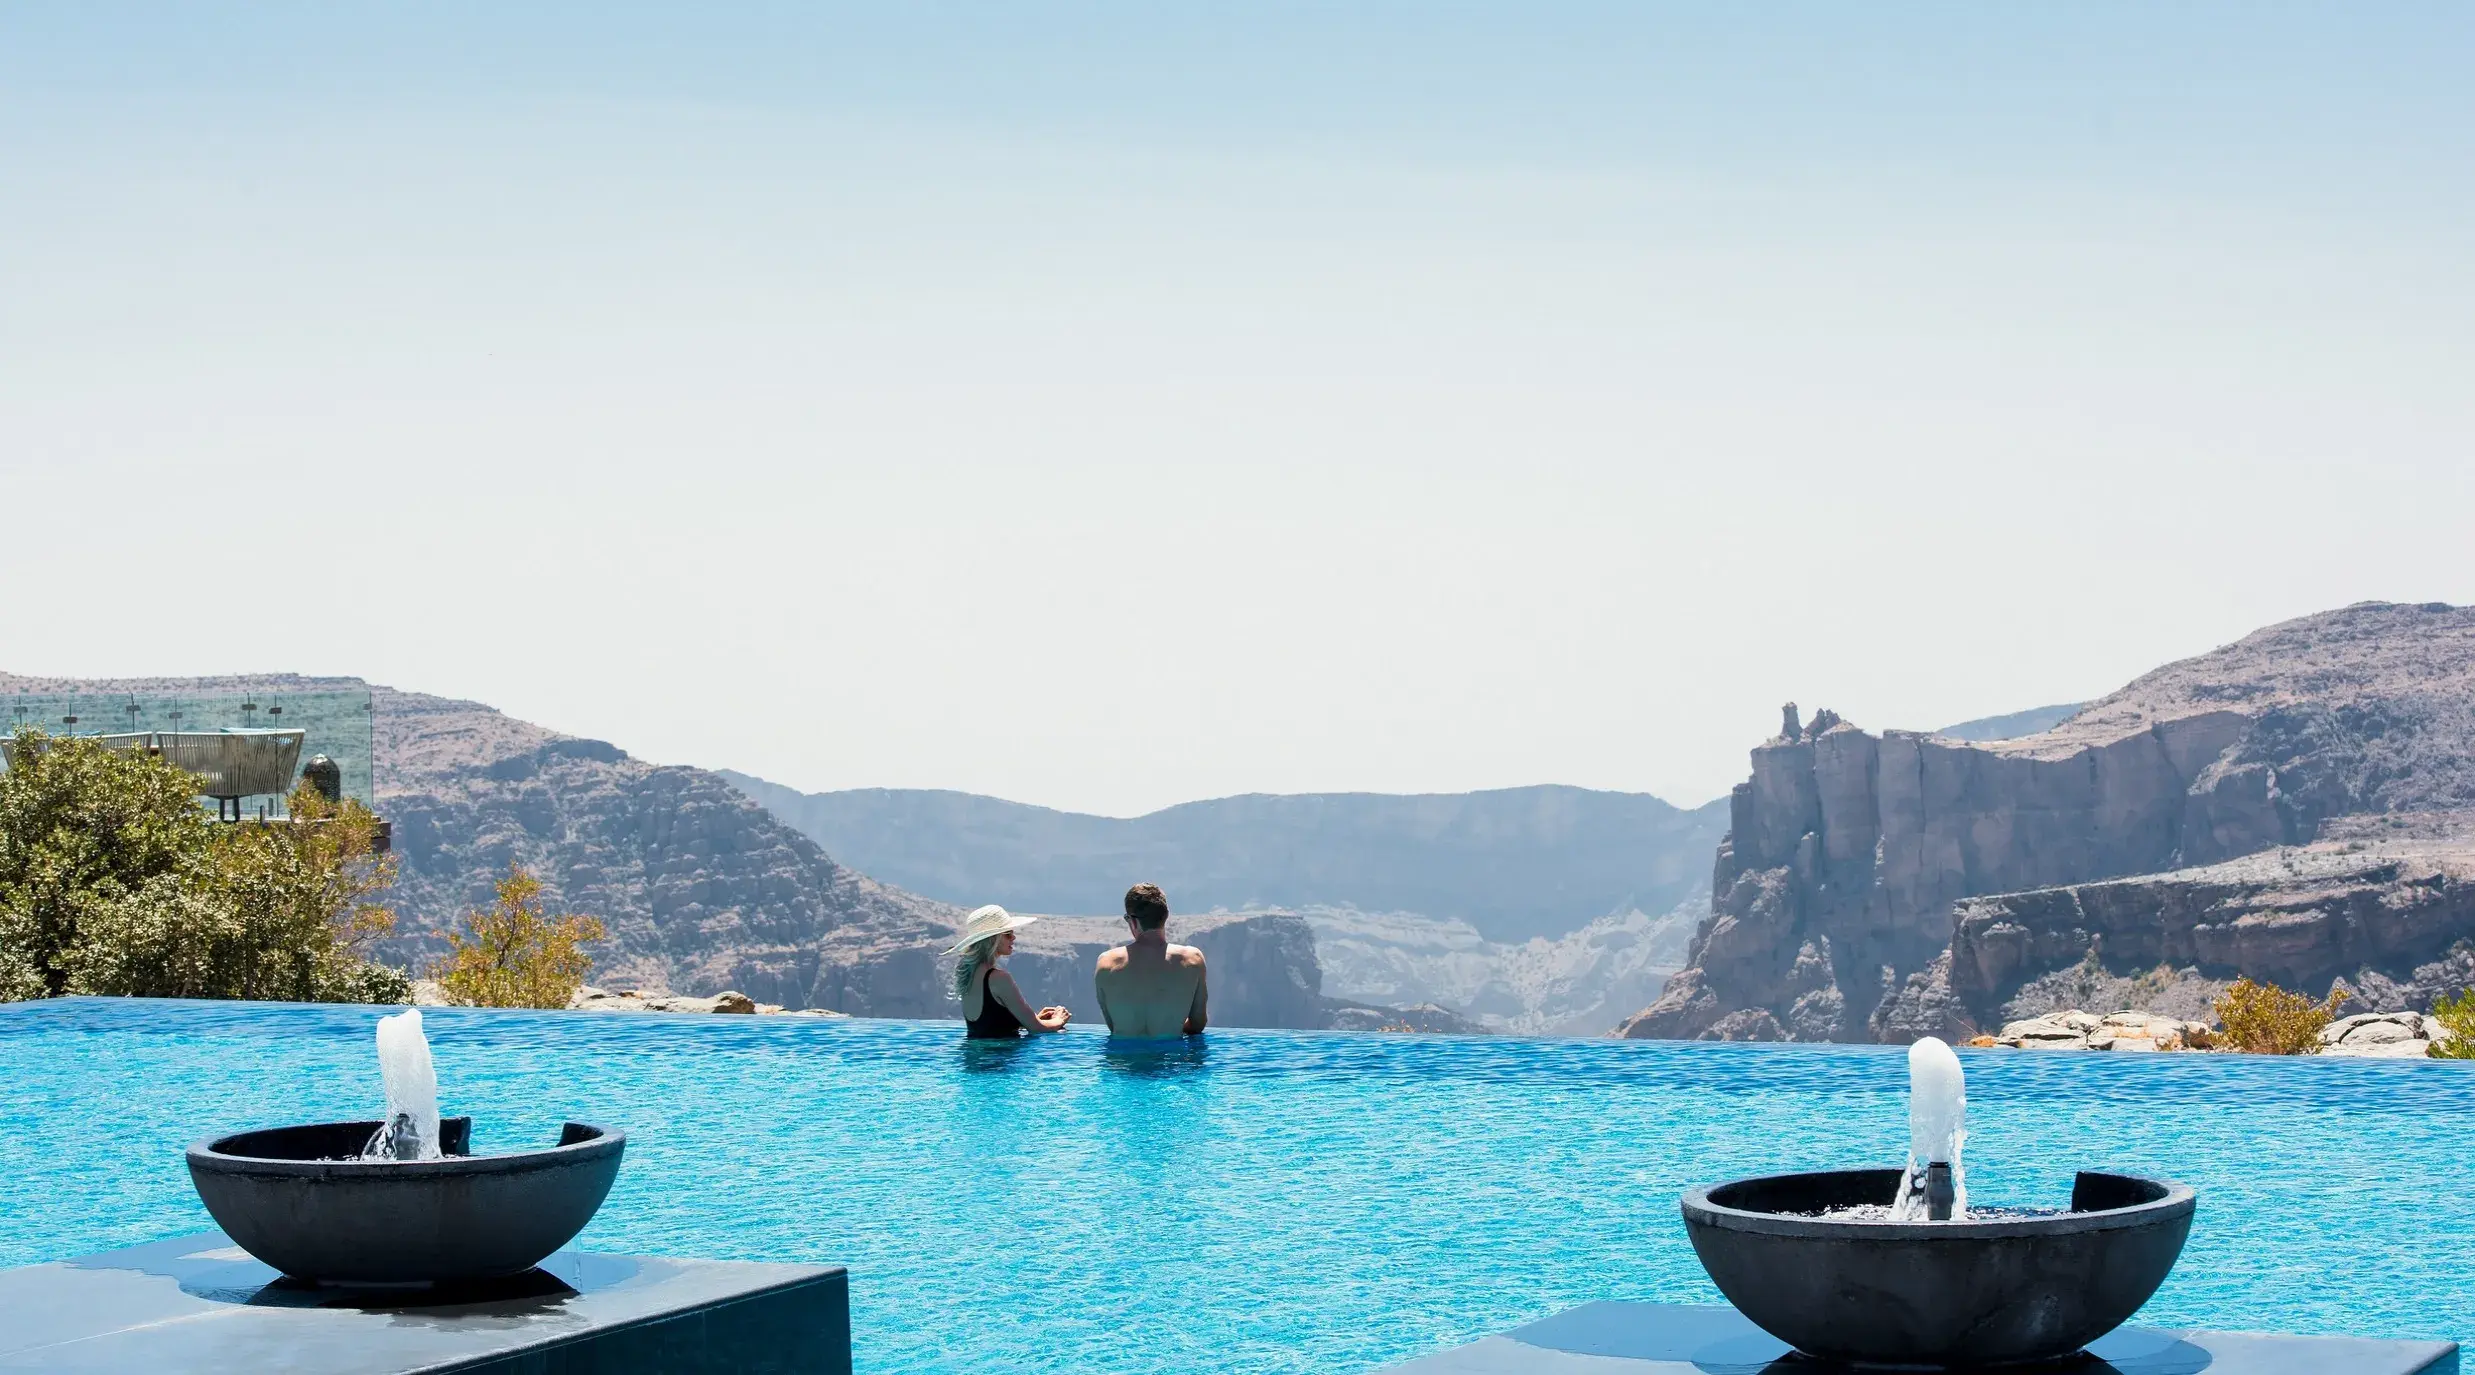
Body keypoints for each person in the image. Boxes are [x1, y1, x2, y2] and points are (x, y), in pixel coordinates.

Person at [1093, 883, 1207, 1038]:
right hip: (1170, 1052)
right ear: (1166, 916)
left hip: (1124, 1052)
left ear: (1133, 921)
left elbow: (1113, 1026)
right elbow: (1198, 1025)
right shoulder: (1192, 959)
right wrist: (1172, 1024)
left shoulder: (1106, 963)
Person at [945, 905, 1070, 1039]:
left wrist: (1030, 1019)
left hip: (974, 1052)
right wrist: (1059, 1019)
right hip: (1001, 1052)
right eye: (1008, 934)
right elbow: (1037, 1029)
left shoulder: (969, 974)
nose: (1013, 937)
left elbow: (989, 1026)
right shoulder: (998, 978)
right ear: (993, 939)